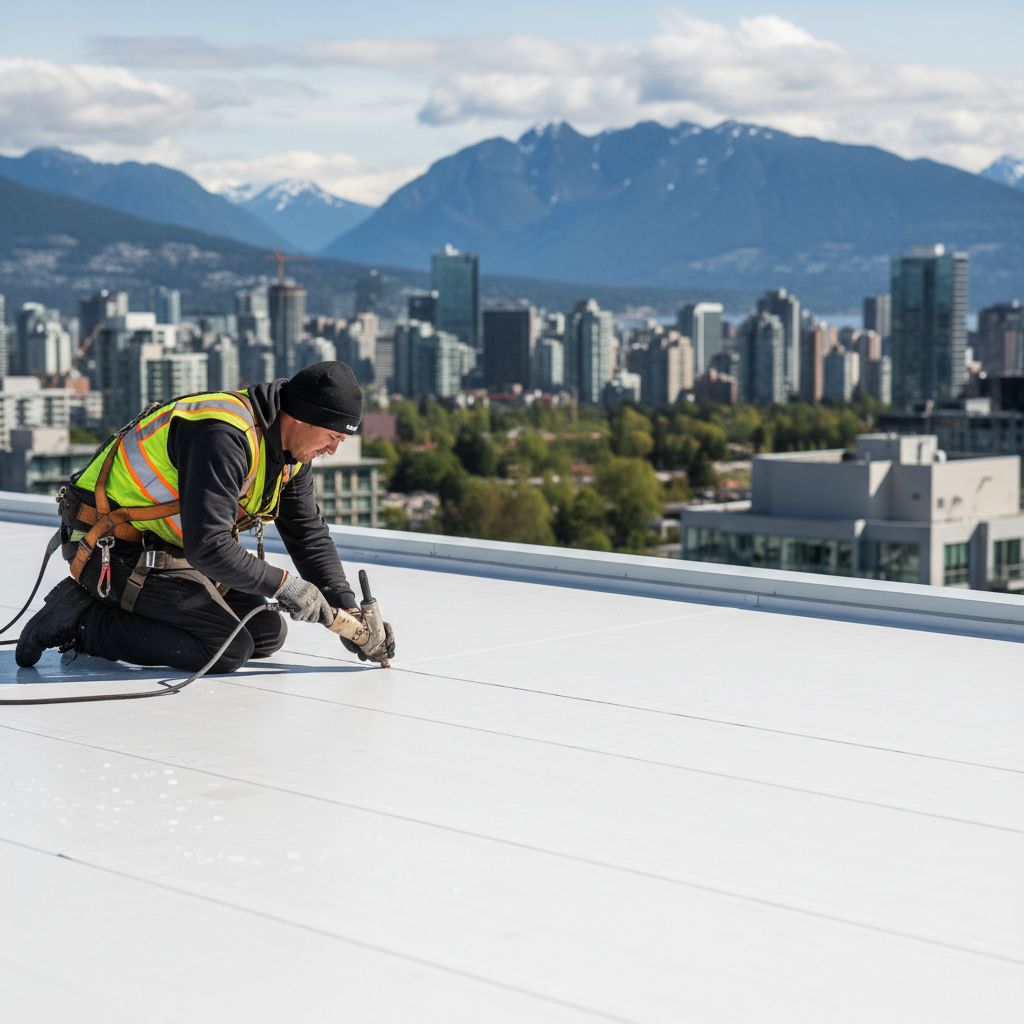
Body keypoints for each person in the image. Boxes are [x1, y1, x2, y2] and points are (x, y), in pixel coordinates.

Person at [16, 360, 394, 672]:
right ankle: (83, 622)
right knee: (226, 649)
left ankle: (115, 612)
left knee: (265, 631)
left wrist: (348, 609)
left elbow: (307, 535)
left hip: (162, 550)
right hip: (109, 548)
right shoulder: (223, 434)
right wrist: (286, 586)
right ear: (301, 418)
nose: (332, 450)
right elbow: (210, 547)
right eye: (333, 437)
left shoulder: (289, 454)